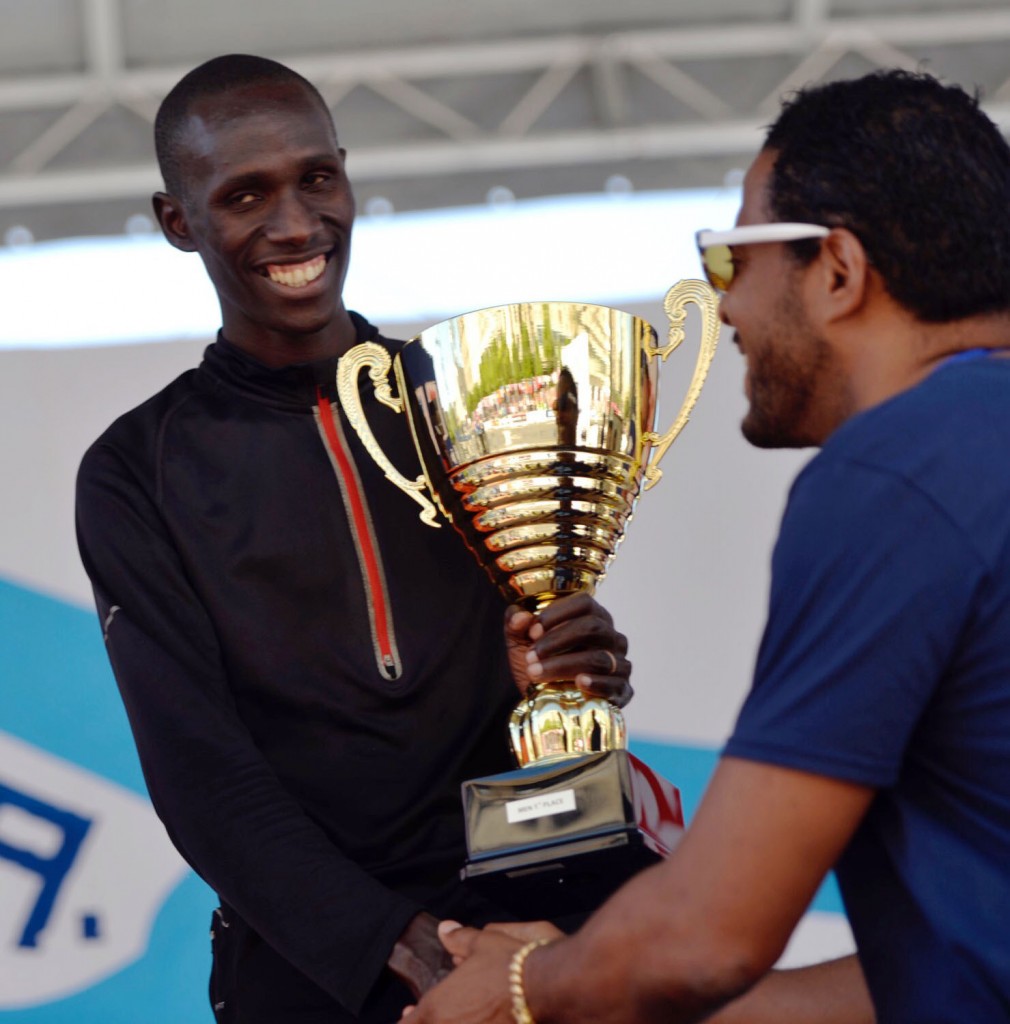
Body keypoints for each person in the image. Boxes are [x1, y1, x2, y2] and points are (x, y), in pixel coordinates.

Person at [406, 68, 1010, 1024]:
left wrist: (520, 990)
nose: (722, 306)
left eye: (730, 260)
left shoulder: (893, 473)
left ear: (838, 270)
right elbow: (947, 968)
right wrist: (571, 972)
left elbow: (707, 937)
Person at [74, 54, 634, 1024]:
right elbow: (203, 777)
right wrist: (405, 949)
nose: (296, 224)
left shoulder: (474, 404)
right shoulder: (138, 469)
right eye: (245, 195)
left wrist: (578, 671)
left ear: (346, 176)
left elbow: (544, 686)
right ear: (178, 220)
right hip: (327, 969)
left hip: (546, 919)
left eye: (315, 179)